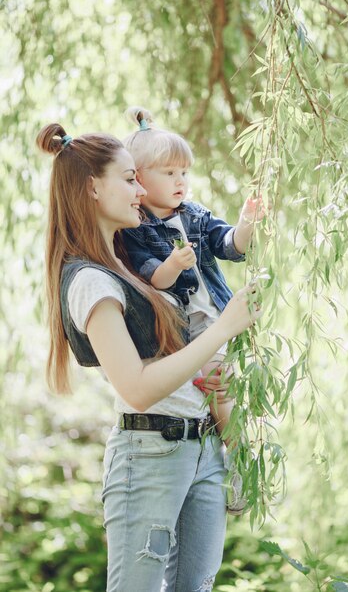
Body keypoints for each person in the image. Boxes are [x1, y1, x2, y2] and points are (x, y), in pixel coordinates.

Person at [37, 122, 262, 592]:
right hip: (150, 453)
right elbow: (136, 387)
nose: (142, 189)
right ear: (92, 188)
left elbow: (174, 351)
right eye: (130, 178)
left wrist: (209, 379)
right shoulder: (91, 281)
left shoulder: (126, 261)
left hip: (201, 444)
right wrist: (223, 327)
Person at [122, 106, 265, 513]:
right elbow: (153, 279)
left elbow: (229, 246)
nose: (180, 181)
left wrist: (246, 223)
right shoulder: (136, 229)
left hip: (219, 314)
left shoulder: (195, 213)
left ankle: (237, 455)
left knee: (229, 387)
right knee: (220, 387)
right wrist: (171, 265)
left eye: (183, 172)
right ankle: (238, 459)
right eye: (168, 173)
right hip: (189, 326)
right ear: (139, 180)